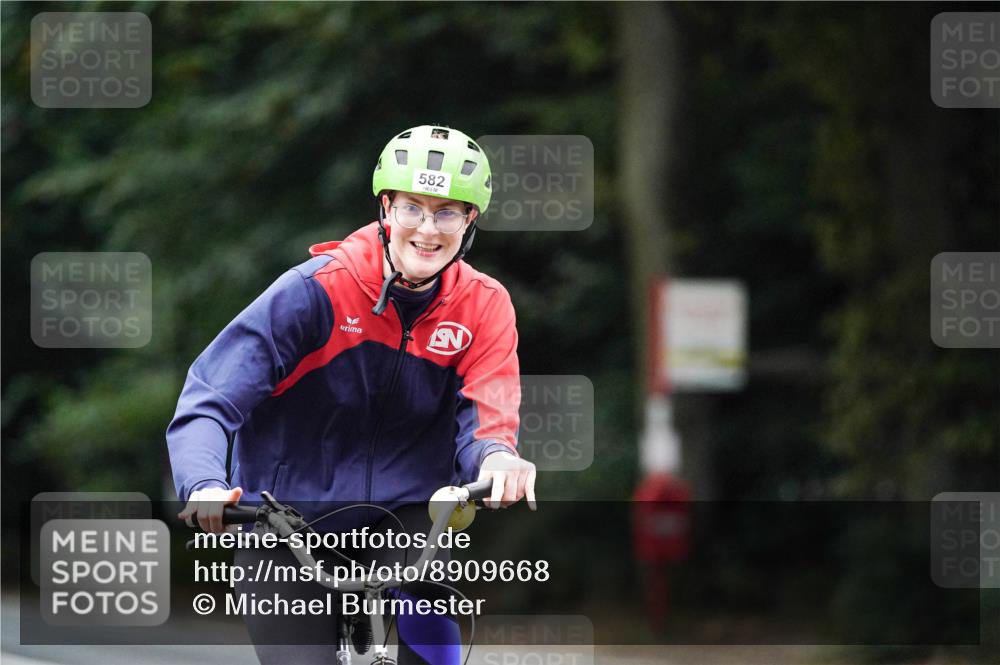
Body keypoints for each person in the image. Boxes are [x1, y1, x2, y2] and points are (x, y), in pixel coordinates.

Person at [167, 124, 536, 663]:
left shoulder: (483, 305)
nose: (428, 229)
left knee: (433, 644)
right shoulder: (316, 290)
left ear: (470, 221)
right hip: (281, 522)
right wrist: (202, 482)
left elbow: (488, 417)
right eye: (412, 207)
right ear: (386, 208)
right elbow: (209, 399)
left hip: (408, 517)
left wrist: (499, 458)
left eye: (448, 212)